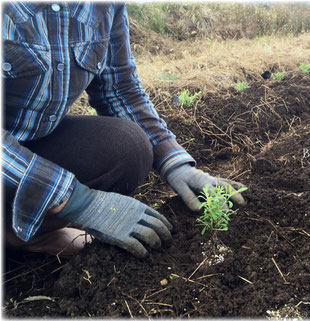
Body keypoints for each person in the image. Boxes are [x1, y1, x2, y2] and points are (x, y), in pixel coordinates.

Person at [2, 2, 246, 258]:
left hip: (28, 142)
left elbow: (120, 90)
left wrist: (175, 164)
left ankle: (18, 233)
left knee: (127, 147)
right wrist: (78, 202)